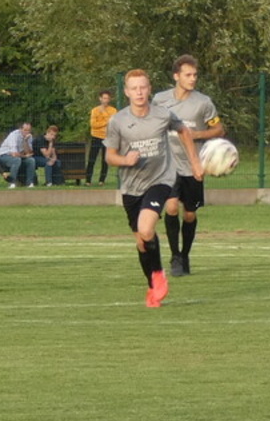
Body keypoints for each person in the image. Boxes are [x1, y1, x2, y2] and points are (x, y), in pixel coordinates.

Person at [105, 68, 202, 307]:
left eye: (143, 87)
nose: (139, 92)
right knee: (141, 241)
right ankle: (152, 286)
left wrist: (195, 163)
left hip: (160, 180)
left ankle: (158, 274)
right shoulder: (118, 121)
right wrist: (125, 160)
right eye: (134, 88)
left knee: (146, 228)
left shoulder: (163, 115)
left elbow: (183, 131)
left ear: (149, 89)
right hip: (131, 187)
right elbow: (109, 156)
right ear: (126, 92)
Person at [157, 55, 222, 277]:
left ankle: (185, 255)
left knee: (190, 214)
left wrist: (197, 134)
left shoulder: (203, 103)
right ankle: (175, 256)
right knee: (171, 207)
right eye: (188, 75)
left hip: (194, 165)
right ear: (176, 76)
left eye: (195, 75)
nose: (193, 79)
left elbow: (219, 129)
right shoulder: (160, 100)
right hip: (168, 164)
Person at [85, 89, 117, 185]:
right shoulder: (95, 110)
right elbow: (93, 124)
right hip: (96, 136)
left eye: (107, 98)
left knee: (105, 159)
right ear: (100, 99)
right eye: (104, 98)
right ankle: (88, 180)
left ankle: (101, 180)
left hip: (107, 137)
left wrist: (104, 118)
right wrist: (106, 121)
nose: (105, 100)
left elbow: (113, 123)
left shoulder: (113, 110)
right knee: (92, 159)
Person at [0, 121, 37, 188]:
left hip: (18, 156)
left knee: (31, 160)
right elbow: (14, 153)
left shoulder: (29, 136)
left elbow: (28, 152)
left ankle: (29, 183)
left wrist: (25, 141)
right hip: (3, 156)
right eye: (25, 130)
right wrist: (25, 156)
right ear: (20, 129)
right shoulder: (13, 135)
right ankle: (12, 183)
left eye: (29, 130)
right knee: (16, 160)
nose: (27, 132)